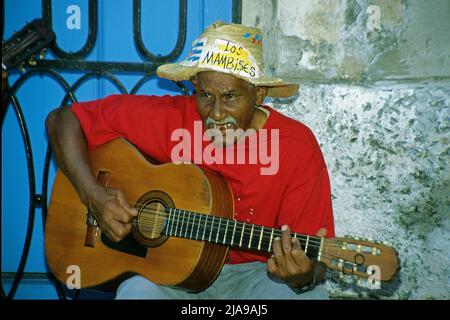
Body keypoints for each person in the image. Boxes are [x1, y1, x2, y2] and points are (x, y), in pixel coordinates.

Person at [45, 21, 335, 299]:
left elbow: (316, 262)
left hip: (256, 276)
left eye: (230, 96)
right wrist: (93, 193)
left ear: (258, 94)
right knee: (135, 293)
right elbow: (62, 119)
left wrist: (302, 275)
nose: (216, 113)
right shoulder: (172, 117)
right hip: (169, 277)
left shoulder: (295, 146)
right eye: (205, 94)